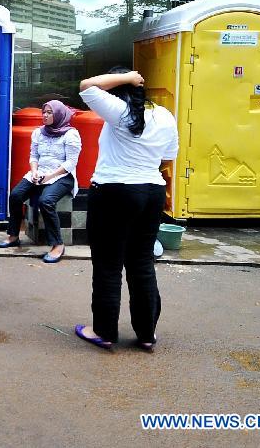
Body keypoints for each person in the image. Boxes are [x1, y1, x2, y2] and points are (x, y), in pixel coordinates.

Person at [74, 67, 178, 353]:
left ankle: (104, 332)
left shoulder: (119, 111)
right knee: (142, 263)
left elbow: (87, 84)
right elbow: (169, 156)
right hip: (151, 193)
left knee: (108, 266)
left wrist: (127, 77)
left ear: (118, 89)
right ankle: (146, 334)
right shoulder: (165, 115)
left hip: (114, 192)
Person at [0, 100, 81, 263]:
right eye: (44, 112)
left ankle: (57, 244)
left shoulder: (71, 134)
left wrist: (49, 177)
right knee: (15, 195)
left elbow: (71, 163)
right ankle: (14, 235)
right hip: (39, 173)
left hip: (62, 176)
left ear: (58, 114)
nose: (45, 115)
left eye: (49, 112)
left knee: (46, 201)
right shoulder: (38, 132)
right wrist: (35, 171)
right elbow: (34, 156)